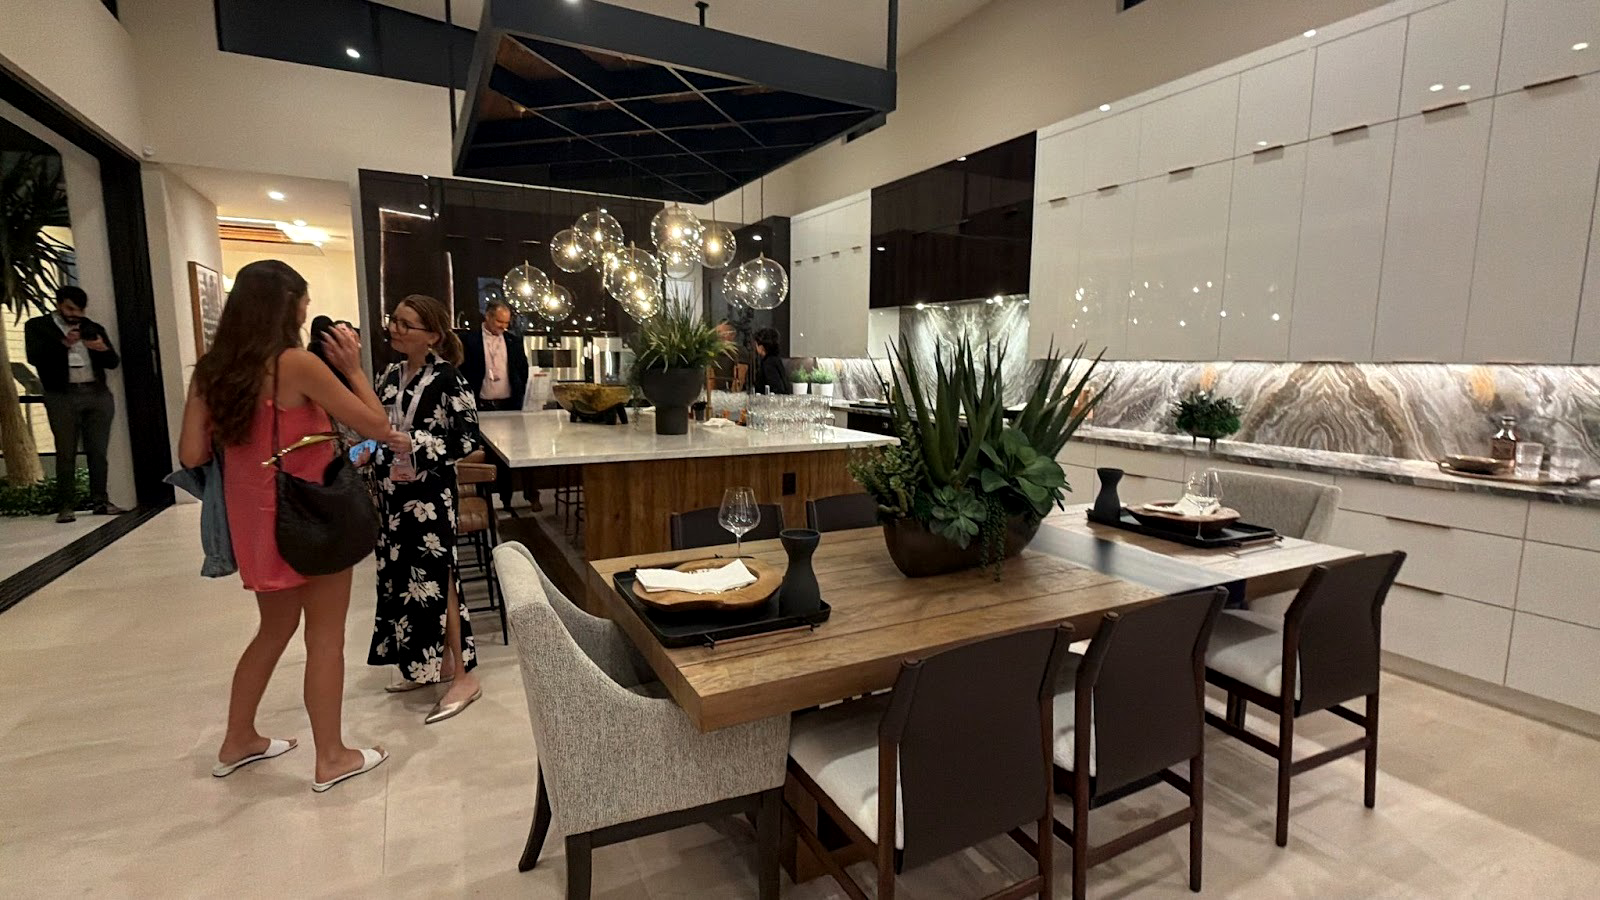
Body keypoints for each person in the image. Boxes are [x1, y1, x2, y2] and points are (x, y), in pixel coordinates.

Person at [178, 259, 404, 792]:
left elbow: (190, 453)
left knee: (273, 630)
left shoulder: (211, 370)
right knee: (325, 637)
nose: (307, 311)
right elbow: (376, 425)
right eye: (303, 301)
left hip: (255, 521)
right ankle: (332, 756)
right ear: (288, 307)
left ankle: (238, 739)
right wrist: (353, 370)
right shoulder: (296, 364)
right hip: (310, 513)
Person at [364, 294, 483, 724]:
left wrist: (415, 443)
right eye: (394, 320)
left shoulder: (450, 379)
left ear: (432, 335)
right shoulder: (389, 376)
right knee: (401, 577)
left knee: (438, 577)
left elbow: (467, 438)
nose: (395, 329)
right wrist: (365, 450)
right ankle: (429, 664)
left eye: (406, 324)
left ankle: (464, 675)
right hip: (391, 494)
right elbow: (377, 426)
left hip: (430, 496)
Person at [24, 285, 126, 522]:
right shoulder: (38, 327)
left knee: (98, 451)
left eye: (80, 310)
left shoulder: (91, 327)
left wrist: (102, 349)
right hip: (62, 395)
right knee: (66, 451)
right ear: (59, 304)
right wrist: (64, 343)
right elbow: (34, 356)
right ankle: (65, 506)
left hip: (96, 393)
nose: (75, 315)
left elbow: (112, 362)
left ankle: (100, 501)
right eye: (70, 309)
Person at [458, 299, 535, 511]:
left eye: (506, 322)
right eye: (500, 322)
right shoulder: (469, 340)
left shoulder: (513, 341)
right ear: (488, 317)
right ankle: (484, 499)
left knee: (509, 454)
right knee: (484, 455)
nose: (503, 326)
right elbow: (462, 372)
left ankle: (508, 499)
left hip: (508, 406)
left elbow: (522, 370)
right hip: (481, 406)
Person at [750, 326, 792, 395]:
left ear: (761, 347)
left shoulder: (768, 363)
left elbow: (776, 389)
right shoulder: (775, 359)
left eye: (756, 344)